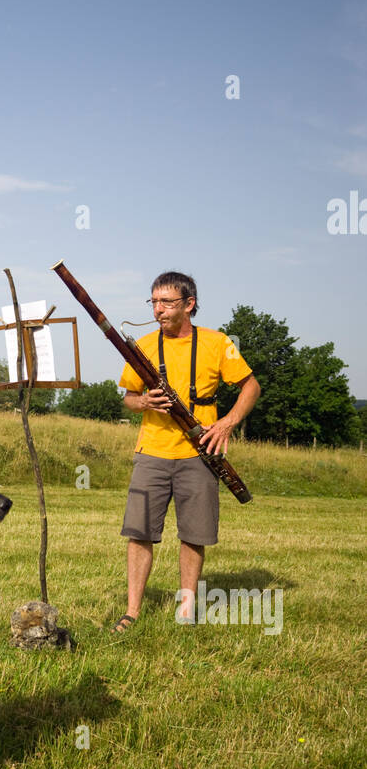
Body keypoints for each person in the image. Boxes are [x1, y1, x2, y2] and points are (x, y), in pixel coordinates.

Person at [111, 271, 261, 637]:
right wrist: (143, 400)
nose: (157, 309)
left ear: (189, 304)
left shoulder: (217, 342)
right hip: (152, 451)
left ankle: (187, 606)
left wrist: (226, 424)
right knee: (139, 532)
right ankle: (132, 612)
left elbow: (251, 386)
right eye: (154, 302)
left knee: (194, 533)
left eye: (166, 302)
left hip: (200, 453)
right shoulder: (142, 346)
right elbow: (127, 397)